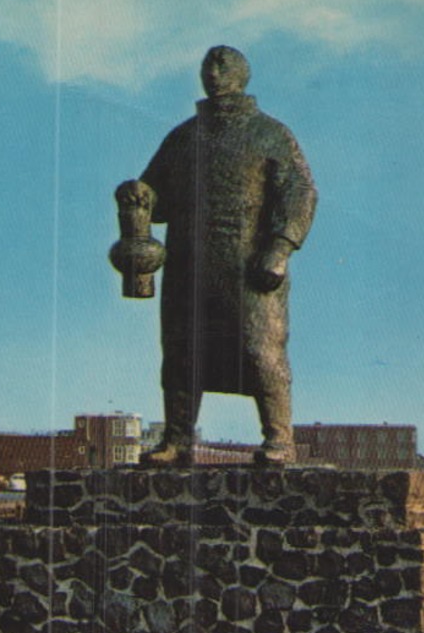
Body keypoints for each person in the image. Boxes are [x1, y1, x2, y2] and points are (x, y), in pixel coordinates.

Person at [131, 45, 318, 466]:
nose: (212, 74)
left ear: (242, 75)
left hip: (249, 268)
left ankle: (279, 440)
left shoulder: (270, 133)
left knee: (260, 351)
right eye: (206, 66)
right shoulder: (182, 137)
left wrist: (280, 246)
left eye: (222, 66)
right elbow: (156, 203)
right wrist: (139, 196)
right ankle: (178, 440)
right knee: (182, 352)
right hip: (189, 267)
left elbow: (300, 191)